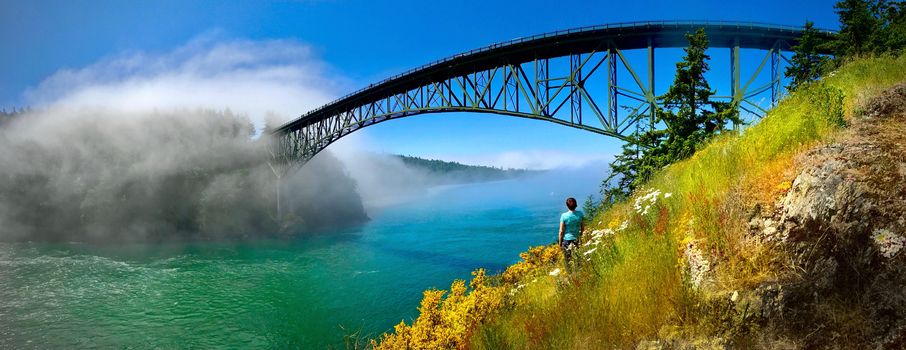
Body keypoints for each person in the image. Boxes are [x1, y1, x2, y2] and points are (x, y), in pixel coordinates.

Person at [559, 197, 584, 265]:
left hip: (566, 239)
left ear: (567, 206)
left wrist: (560, 243)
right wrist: (581, 237)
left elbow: (561, 231)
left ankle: (570, 273)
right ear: (576, 205)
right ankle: (579, 271)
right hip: (577, 238)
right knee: (578, 257)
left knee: (567, 259)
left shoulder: (564, 216)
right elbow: (582, 228)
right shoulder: (580, 214)